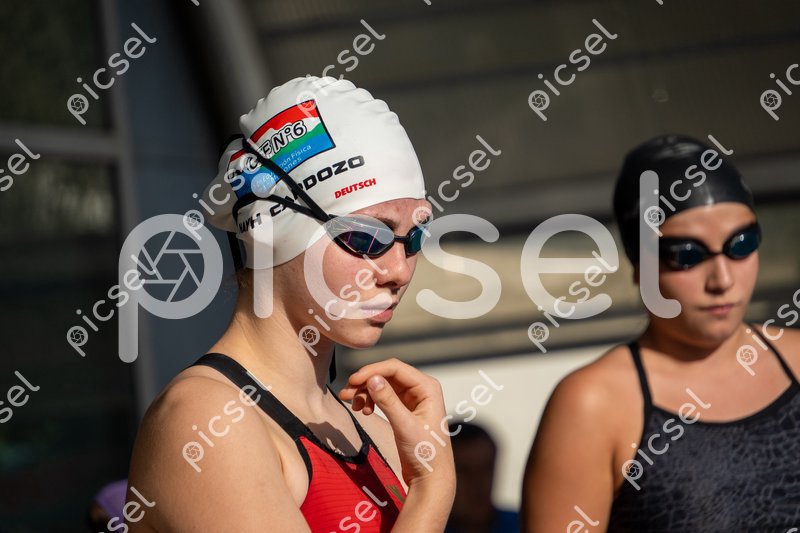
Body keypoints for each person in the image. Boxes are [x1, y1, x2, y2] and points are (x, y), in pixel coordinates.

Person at [126, 77, 455, 532]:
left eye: (414, 237)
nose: (398, 269)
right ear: (269, 229)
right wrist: (434, 492)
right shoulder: (207, 421)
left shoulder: (380, 434)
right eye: (366, 237)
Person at [522, 134, 800, 531]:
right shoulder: (594, 405)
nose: (722, 280)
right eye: (687, 255)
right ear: (639, 266)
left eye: (741, 244)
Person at [445, 423, 519, 533]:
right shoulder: (424, 527)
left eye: (486, 469)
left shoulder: (526, 525)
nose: (478, 483)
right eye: (464, 471)